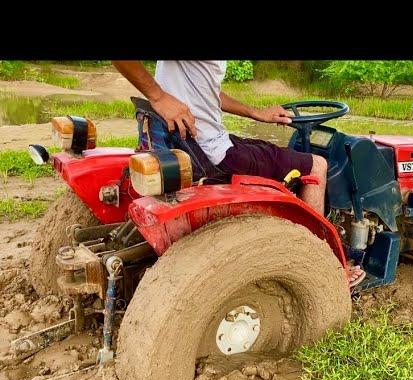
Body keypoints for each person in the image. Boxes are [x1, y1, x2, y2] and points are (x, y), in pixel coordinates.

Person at [112, 60, 365, 287]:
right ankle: (322, 266)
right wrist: (157, 97)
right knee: (317, 165)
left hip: (202, 143)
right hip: (214, 152)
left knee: (272, 154)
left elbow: (209, 93)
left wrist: (255, 112)